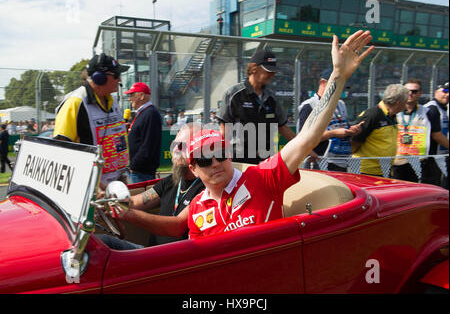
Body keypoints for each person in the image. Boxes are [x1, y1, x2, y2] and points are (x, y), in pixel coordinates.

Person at [105, 30, 374, 240]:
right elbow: (190, 246)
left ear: (227, 154)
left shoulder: (262, 178)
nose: (214, 163)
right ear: (193, 168)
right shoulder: (198, 206)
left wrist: (338, 76)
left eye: (219, 154)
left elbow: (305, 136)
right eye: (203, 160)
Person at [98, 123, 205, 249]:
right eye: (174, 144)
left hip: (172, 260)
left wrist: (128, 214)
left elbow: (177, 226)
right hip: (151, 252)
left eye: (181, 146)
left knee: (103, 243)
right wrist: (105, 193)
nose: (175, 150)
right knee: (98, 243)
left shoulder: (205, 189)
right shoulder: (171, 181)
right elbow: (133, 201)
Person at [53, 53, 130, 187]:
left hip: (117, 185)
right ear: (99, 78)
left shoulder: (113, 101)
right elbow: (61, 152)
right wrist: (95, 186)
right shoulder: (75, 103)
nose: (119, 80)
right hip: (90, 189)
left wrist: (122, 174)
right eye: (116, 75)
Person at [216, 49, 296, 164]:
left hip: (267, 160)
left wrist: (306, 149)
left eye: (273, 71)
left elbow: (282, 127)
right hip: (240, 160)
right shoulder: (234, 94)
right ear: (254, 68)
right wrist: (221, 158)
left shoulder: (271, 98)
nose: (272, 74)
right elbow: (224, 128)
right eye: (268, 71)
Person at [297, 68, 364, 171]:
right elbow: (302, 139)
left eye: (342, 86)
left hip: (341, 162)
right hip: (319, 162)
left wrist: (352, 130)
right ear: (323, 83)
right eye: (337, 86)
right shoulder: (309, 105)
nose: (340, 90)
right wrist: (333, 133)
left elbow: (341, 129)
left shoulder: (341, 104)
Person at [391, 79, 449, 185]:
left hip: (421, 160)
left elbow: (436, 135)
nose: (410, 94)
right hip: (398, 160)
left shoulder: (428, 112)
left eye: (414, 91)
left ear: (420, 93)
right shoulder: (393, 111)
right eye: (407, 91)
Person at [351, 84, 408, 176]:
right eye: (405, 102)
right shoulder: (372, 115)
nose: (406, 105)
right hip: (367, 171)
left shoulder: (392, 116)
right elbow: (354, 141)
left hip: (385, 170)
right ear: (398, 102)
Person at [124, 82, 162, 183]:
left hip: (142, 171)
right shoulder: (144, 113)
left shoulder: (150, 114)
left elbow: (148, 145)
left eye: (132, 95)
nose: (129, 98)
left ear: (141, 96)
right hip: (139, 170)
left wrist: (134, 165)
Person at [424, 81, 449, 188]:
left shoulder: (443, 108)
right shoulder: (432, 108)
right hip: (431, 158)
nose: (447, 94)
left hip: (439, 156)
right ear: (435, 92)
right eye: (445, 91)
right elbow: (436, 135)